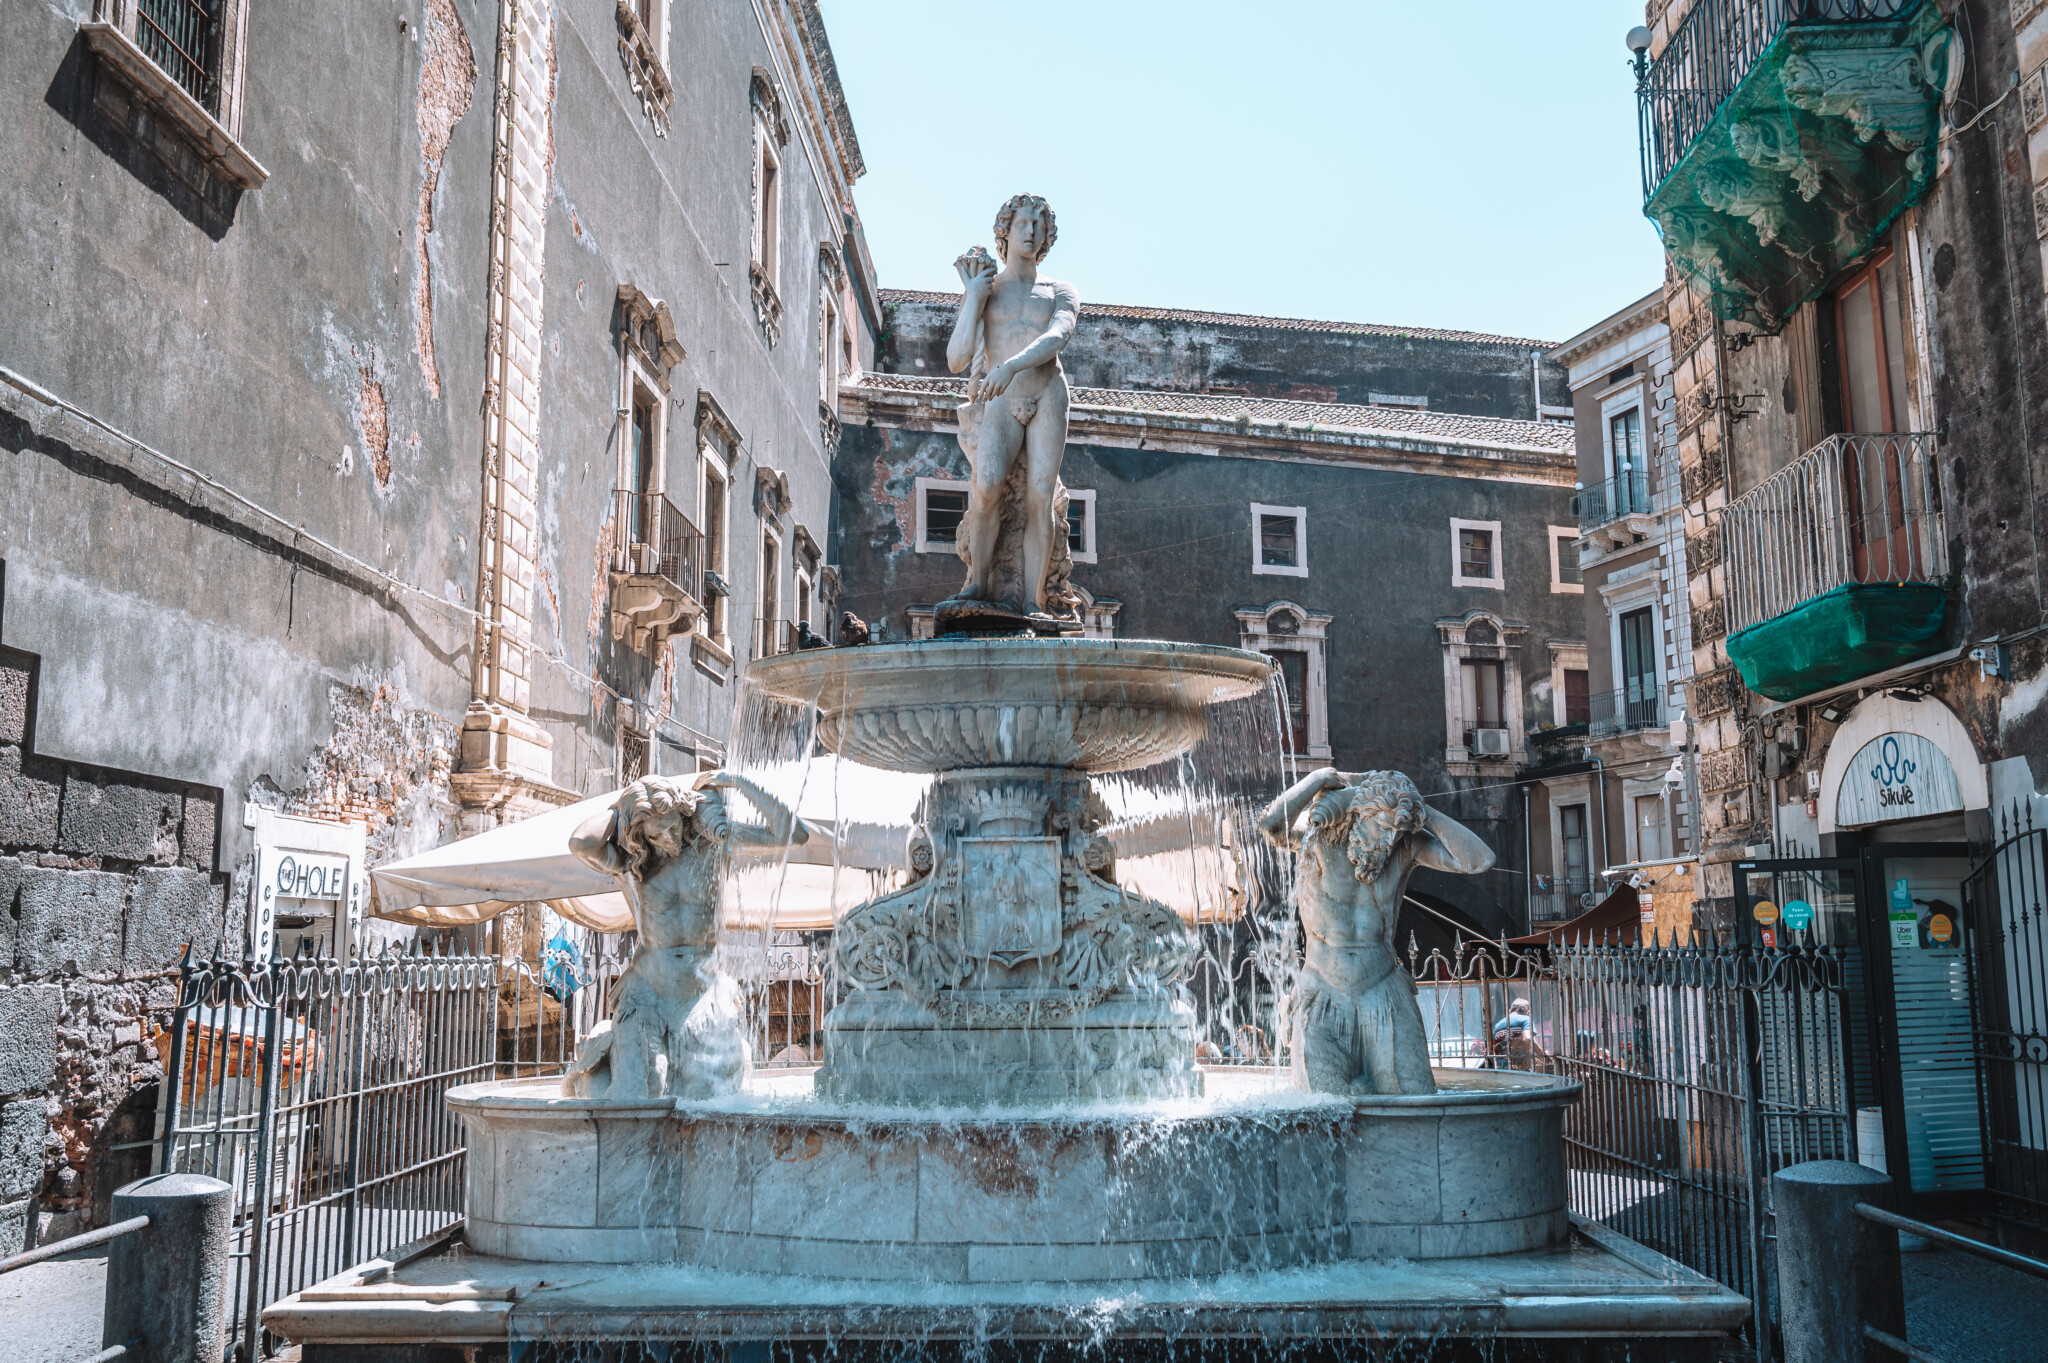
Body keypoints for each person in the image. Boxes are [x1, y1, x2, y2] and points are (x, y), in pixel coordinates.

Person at [562, 770, 806, 1100]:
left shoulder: (713, 845)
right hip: (648, 989)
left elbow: (793, 835)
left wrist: (739, 783)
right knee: (641, 1090)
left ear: (684, 814)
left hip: (701, 991)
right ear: (641, 836)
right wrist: (624, 808)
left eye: (673, 826)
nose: (669, 838)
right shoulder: (632, 865)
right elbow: (581, 841)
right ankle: (597, 1066)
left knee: (708, 1097)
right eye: (656, 834)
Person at [1258, 767, 1494, 1095]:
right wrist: (1317, 779)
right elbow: (1271, 826)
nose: (1387, 840)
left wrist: (1421, 811)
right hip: (1324, 990)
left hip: (1383, 988)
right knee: (1323, 1111)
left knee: (1416, 1100)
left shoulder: (1404, 844)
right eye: (1382, 827)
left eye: (1396, 832)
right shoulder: (1321, 834)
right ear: (1362, 812)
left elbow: (1479, 860)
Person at [943, 194, 1081, 626]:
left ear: (1048, 236)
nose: (1030, 231)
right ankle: (977, 584)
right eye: (1022, 222)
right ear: (1005, 230)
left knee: (1041, 497)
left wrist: (1010, 366)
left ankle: (1034, 602)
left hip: (1046, 395)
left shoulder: (1060, 291)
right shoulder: (989, 289)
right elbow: (956, 359)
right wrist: (972, 298)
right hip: (1001, 400)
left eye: (1039, 225)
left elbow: (1058, 338)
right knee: (986, 487)